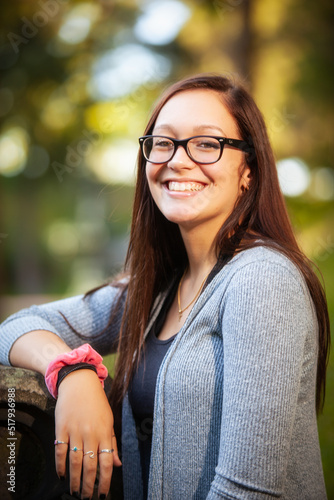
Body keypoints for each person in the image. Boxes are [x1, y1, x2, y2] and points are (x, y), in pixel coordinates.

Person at [0, 73, 330, 500]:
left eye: (207, 144)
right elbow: (16, 326)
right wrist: (73, 371)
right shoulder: (156, 290)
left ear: (247, 169)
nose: (177, 159)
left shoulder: (261, 280)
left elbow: (248, 492)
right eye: (163, 142)